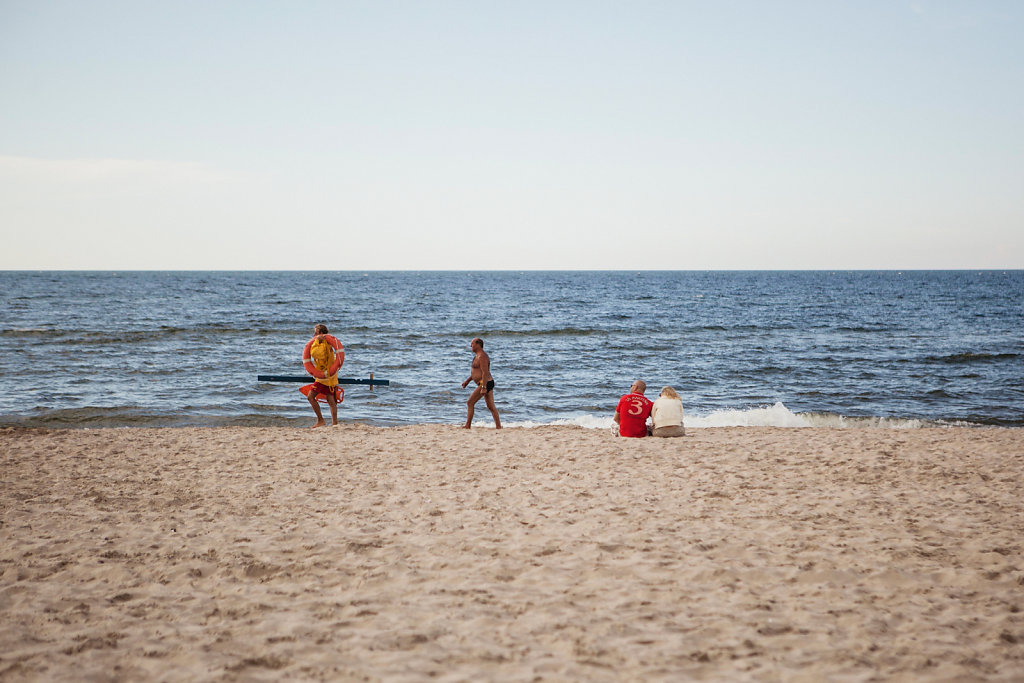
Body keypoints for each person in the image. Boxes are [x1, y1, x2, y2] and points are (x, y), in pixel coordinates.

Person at [299, 324, 344, 428]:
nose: (314, 334)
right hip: (329, 377)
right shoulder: (325, 344)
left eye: (316, 332)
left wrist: (317, 341)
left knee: (311, 397)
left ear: (321, 334)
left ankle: (321, 420)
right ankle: (334, 423)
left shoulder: (324, 344)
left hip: (324, 378)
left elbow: (316, 354)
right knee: (331, 400)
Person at [461, 337, 501, 429]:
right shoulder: (477, 356)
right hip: (485, 383)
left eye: (472, 343)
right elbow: (476, 372)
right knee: (491, 406)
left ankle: (468, 425)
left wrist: (483, 387)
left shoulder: (482, 356)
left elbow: (485, 372)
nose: (471, 345)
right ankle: (498, 426)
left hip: (485, 382)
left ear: (478, 344)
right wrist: (467, 381)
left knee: (470, 402)